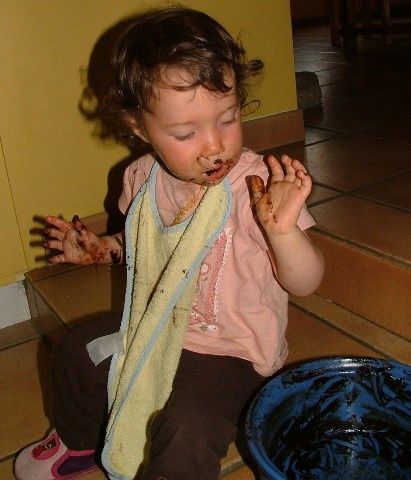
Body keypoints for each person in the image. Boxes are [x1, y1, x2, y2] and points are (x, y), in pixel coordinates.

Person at [15, 6, 324, 480]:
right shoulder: (140, 179)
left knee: (187, 427)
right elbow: (143, 245)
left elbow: (306, 282)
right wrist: (102, 247)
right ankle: (78, 441)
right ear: (140, 128)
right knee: (78, 350)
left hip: (233, 350)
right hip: (156, 325)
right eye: (185, 133)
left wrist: (284, 233)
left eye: (228, 119)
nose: (214, 145)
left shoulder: (256, 188)